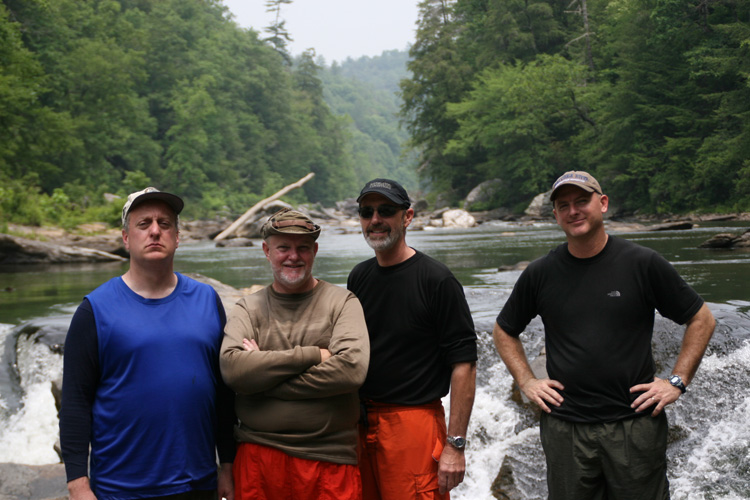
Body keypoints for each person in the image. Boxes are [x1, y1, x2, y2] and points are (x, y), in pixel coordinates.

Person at [493, 171, 716, 499]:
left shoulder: (642, 263)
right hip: (566, 428)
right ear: (555, 215)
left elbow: (702, 319)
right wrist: (526, 381)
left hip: (633, 426)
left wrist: (677, 381)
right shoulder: (541, 273)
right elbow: (504, 330)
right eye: (563, 205)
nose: (573, 211)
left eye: (582, 201)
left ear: (603, 203)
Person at [59, 187, 236, 500]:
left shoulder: (207, 300)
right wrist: (77, 484)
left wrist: (228, 465)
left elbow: (223, 392)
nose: (155, 230)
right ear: (126, 238)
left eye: (165, 223)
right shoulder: (95, 310)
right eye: (144, 224)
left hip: (198, 483)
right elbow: (75, 402)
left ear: (178, 237)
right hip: (121, 488)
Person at [220, 208, 370, 500]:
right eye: (283, 248)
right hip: (257, 459)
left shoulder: (343, 302)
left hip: (330, 461)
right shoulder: (247, 308)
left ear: (314, 251)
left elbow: (352, 369)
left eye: (303, 248)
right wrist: (313, 355)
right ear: (266, 251)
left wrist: (262, 381)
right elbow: (233, 371)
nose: (293, 256)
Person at [347, 179, 478, 499]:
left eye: (386, 211)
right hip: (361, 425)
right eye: (367, 212)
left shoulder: (437, 280)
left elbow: (465, 365)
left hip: (415, 425)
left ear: (407, 217)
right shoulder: (359, 277)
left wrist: (455, 445)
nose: (375, 220)